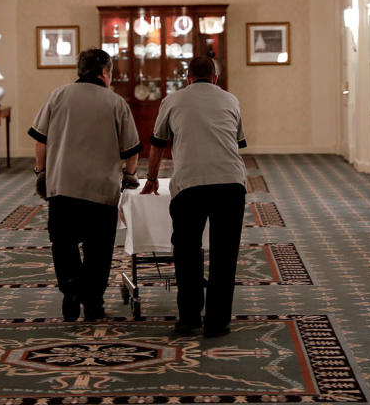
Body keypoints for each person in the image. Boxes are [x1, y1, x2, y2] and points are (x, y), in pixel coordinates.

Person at [29, 48, 141, 322]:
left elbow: (40, 140)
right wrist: (129, 174)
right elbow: (131, 148)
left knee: (63, 243)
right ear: (105, 72)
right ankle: (93, 302)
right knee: (98, 249)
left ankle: (70, 292)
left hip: (63, 186)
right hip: (100, 190)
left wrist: (41, 173)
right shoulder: (116, 103)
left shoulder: (58, 95)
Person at [142, 56, 247, 337]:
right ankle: (217, 322)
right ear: (215, 78)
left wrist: (152, 179)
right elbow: (238, 142)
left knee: (187, 252)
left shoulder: (172, 100)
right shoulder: (231, 99)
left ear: (187, 78)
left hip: (190, 185)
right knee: (225, 255)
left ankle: (189, 319)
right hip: (231, 183)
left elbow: (157, 145)